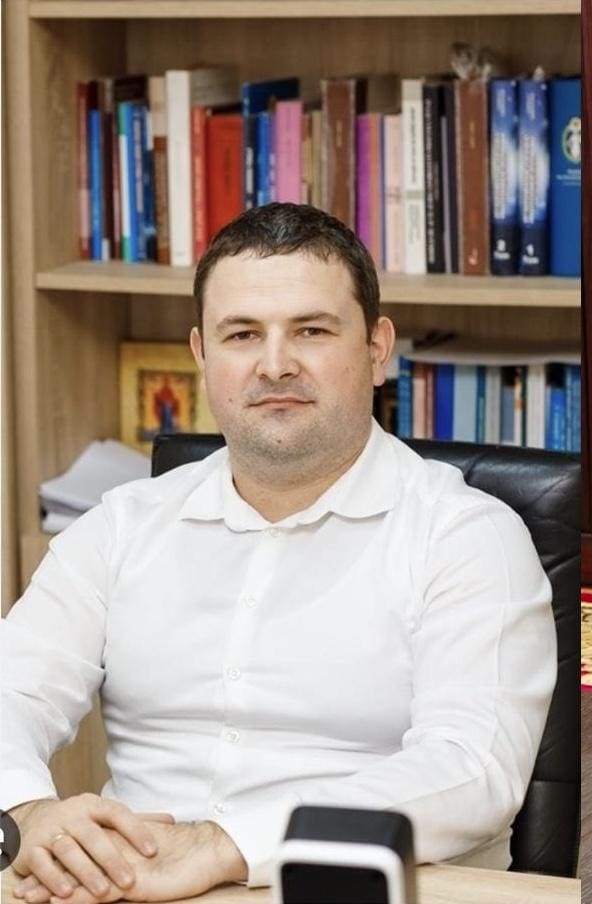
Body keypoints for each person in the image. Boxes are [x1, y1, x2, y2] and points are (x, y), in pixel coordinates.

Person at [1, 204, 556, 904]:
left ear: (377, 348)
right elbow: (12, 689)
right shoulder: (121, 526)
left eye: (311, 331)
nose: (274, 365)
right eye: (242, 335)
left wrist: (219, 844)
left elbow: (471, 769)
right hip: (128, 886)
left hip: (357, 888)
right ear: (202, 355)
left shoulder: (468, 538)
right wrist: (27, 812)